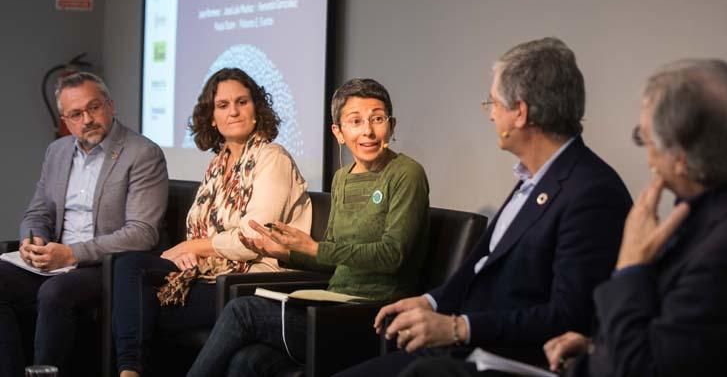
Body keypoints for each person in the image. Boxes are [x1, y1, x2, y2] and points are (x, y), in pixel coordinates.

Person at [337, 38, 632, 377]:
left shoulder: (591, 192)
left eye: (493, 103)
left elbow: (567, 316)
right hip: (467, 347)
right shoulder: (534, 178)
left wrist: (459, 328)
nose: (491, 114)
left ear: (519, 112)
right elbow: (478, 266)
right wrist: (431, 302)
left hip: (511, 360)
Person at [538, 58, 727, 377]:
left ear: (679, 157)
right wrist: (597, 348)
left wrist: (630, 267)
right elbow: (690, 346)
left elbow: (641, 370)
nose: (648, 156)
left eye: (644, 139)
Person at [186, 78, 430, 377]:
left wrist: (314, 247)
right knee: (246, 361)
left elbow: (392, 255)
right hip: (333, 307)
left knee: (242, 311)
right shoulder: (342, 178)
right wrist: (288, 253)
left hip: (374, 313)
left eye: (377, 119)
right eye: (355, 121)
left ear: (390, 126)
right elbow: (333, 259)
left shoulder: (407, 174)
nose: (367, 131)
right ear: (338, 132)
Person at [112, 67, 312, 377]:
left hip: (252, 281)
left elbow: (252, 238)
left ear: (257, 109)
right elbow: (205, 228)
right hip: (209, 274)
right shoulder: (217, 164)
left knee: (140, 309)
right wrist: (196, 254)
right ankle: (129, 372)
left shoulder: (273, 158)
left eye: (242, 102)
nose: (233, 111)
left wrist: (195, 247)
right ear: (212, 117)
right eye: (223, 105)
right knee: (128, 267)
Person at [0, 72, 168, 377]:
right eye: (76, 114)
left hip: (105, 268)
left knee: (54, 292)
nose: (87, 119)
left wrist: (72, 253)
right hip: (54, 261)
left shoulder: (142, 153)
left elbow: (142, 233)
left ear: (111, 105)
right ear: (65, 119)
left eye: (94, 107)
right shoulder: (58, 151)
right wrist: (32, 240)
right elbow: (38, 212)